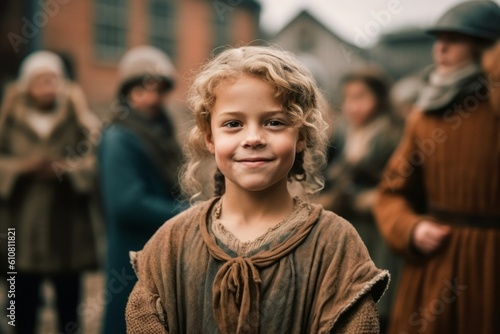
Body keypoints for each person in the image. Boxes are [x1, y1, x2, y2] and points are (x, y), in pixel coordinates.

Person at [125, 46, 390, 333]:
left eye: (274, 122)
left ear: (301, 135)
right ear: (209, 137)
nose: (252, 138)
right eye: (233, 124)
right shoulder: (171, 243)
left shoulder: (335, 244)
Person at [373, 1, 500, 333]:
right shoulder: (424, 115)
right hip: (436, 267)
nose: (440, 48)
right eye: (438, 38)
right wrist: (410, 228)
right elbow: (391, 193)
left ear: (487, 47)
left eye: (455, 39)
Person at [0, 51, 100, 333]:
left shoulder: (77, 116)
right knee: (20, 304)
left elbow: (95, 159)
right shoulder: (10, 118)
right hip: (18, 227)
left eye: (53, 78)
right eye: (40, 79)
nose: (48, 85)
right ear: (26, 85)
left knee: (69, 306)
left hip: (67, 225)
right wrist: (21, 168)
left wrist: (67, 170)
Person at [99, 46, 186, 334]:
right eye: (141, 90)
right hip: (131, 252)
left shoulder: (162, 133)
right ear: (127, 93)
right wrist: (189, 213)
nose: (151, 98)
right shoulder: (119, 137)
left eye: (158, 90)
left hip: (161, 248)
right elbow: (127, 203)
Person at [317, 68, 402, 332]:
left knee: (375, 294)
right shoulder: (341, 133)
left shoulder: (392, 135)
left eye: (361, 97)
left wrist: (359, 199)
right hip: (347, 225)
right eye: (348, 98)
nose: (353, 106)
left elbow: (399, 189)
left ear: (379, 98)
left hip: (378, 229)